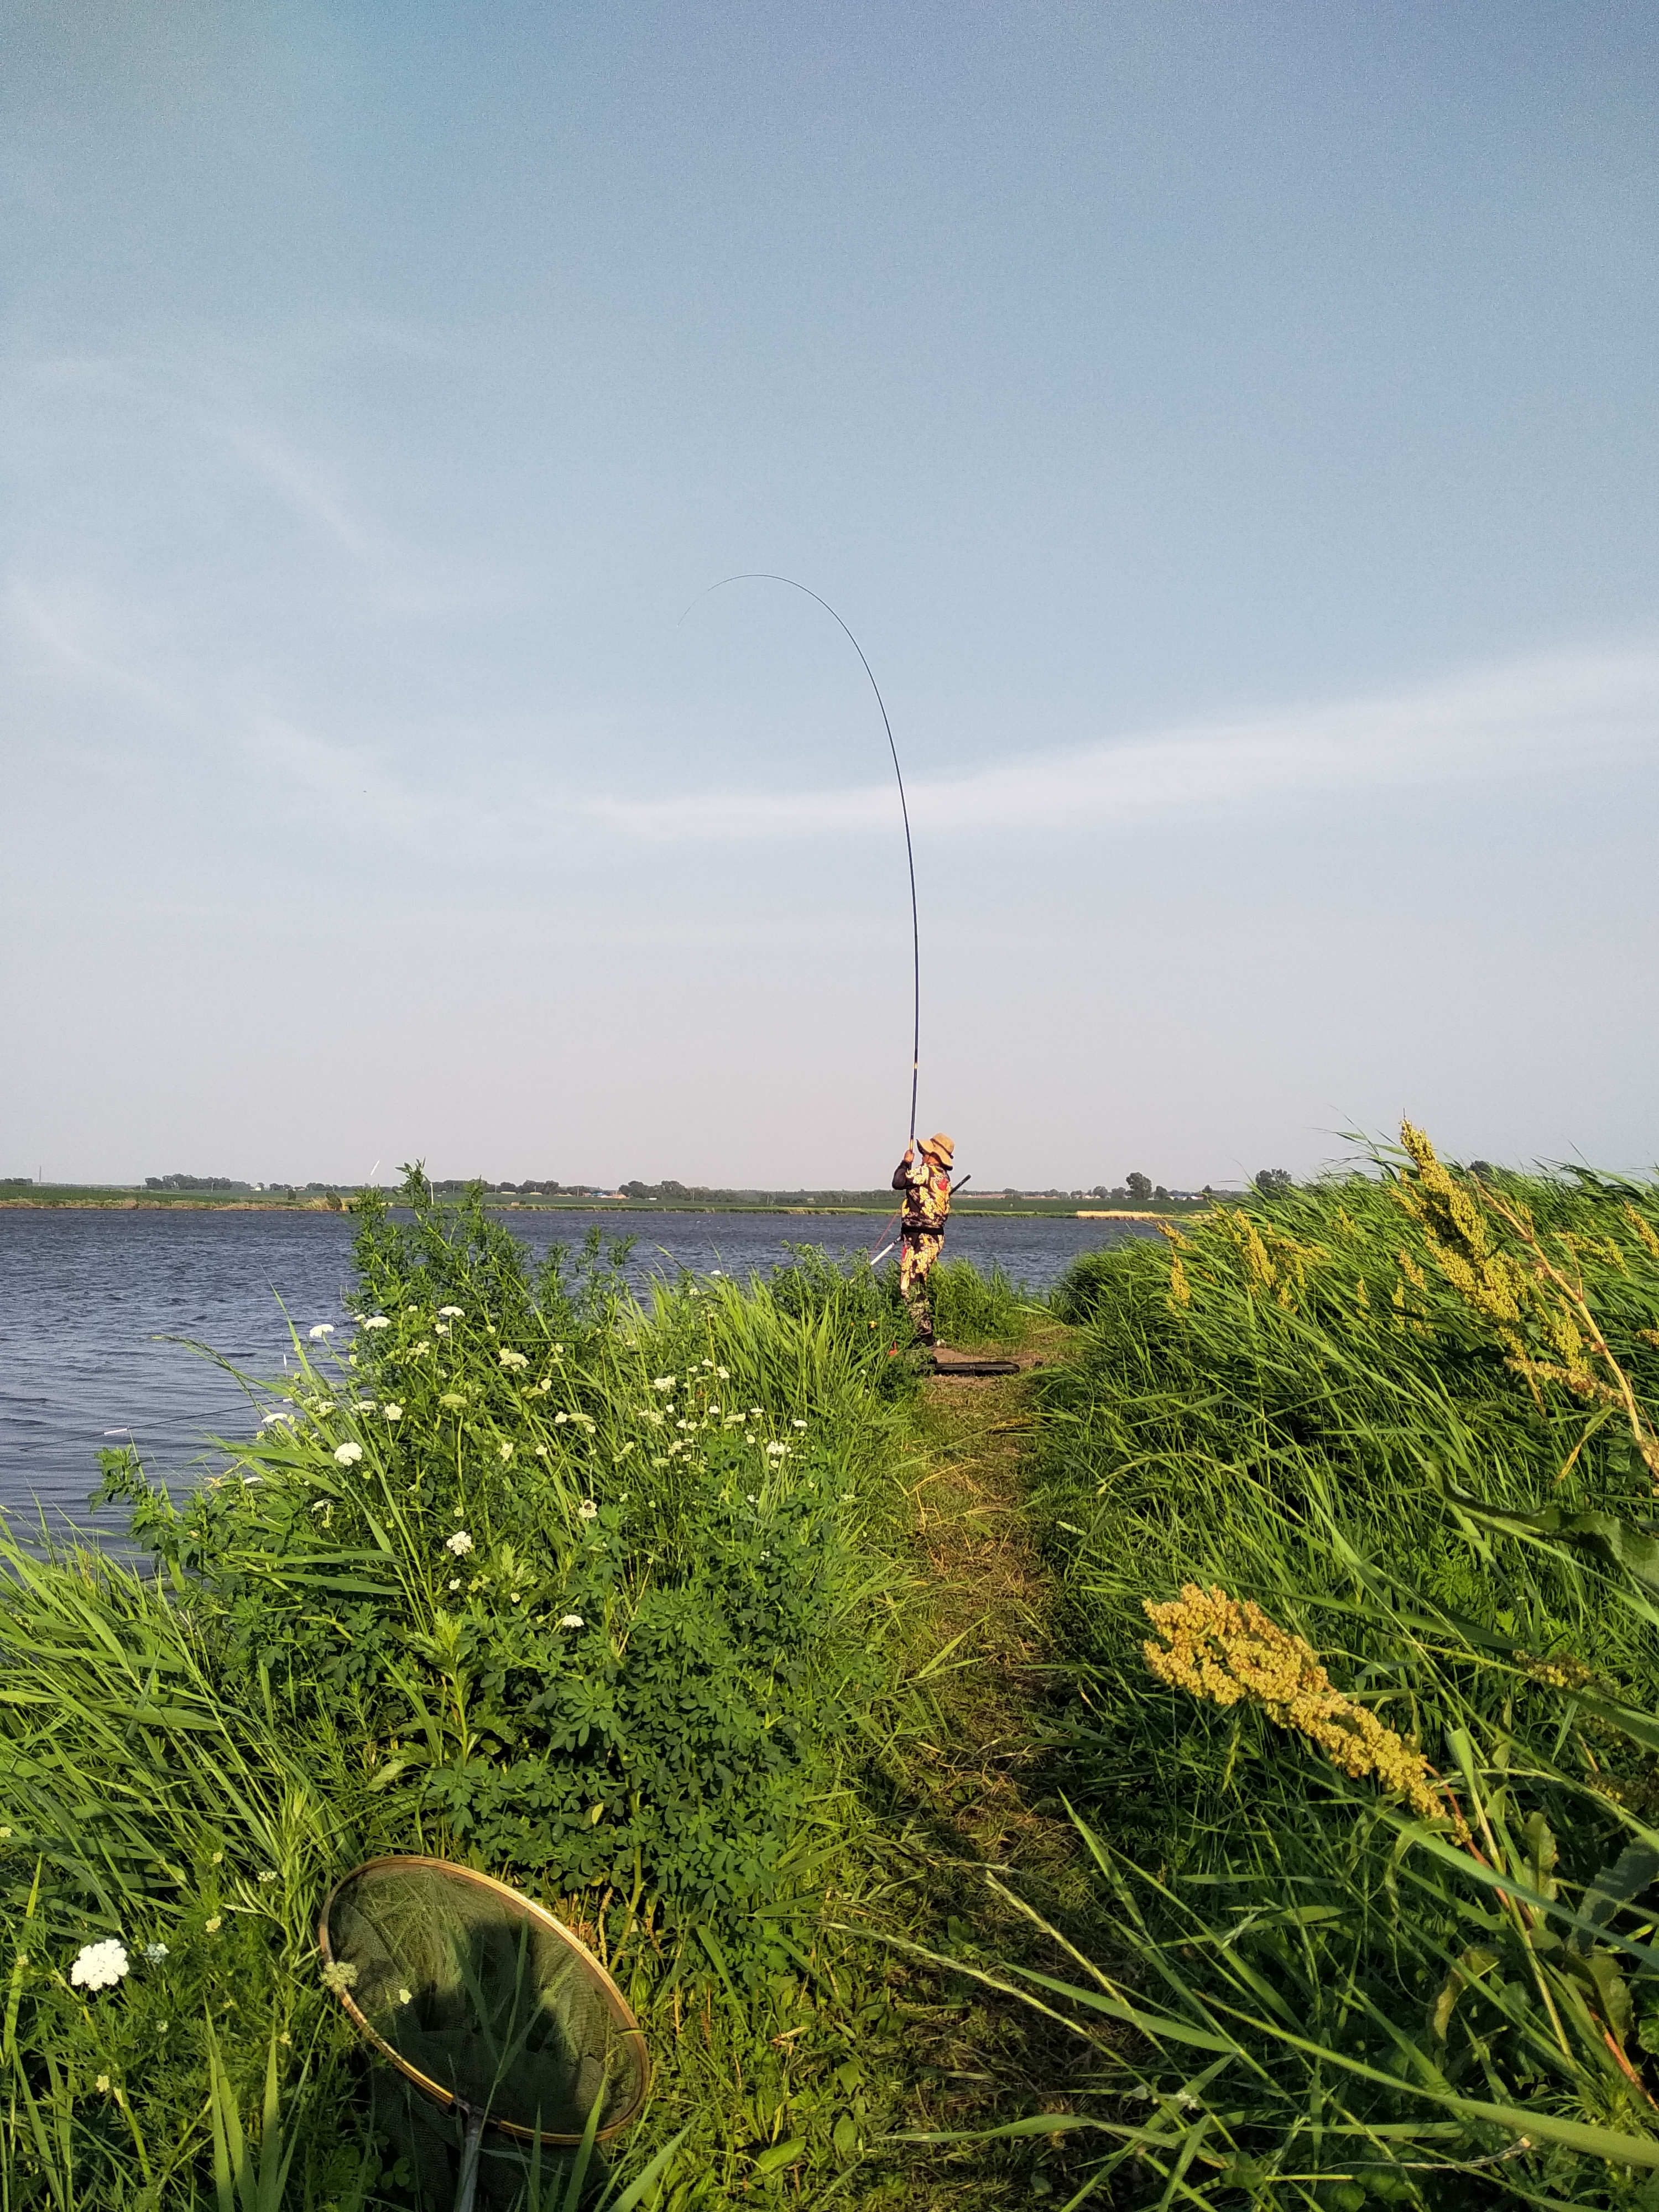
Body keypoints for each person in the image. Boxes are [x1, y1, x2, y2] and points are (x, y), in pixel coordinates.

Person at [892, 1131, 954, 1342]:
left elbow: (898, 1182)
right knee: (911, 1284)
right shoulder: (943, 1177)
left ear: (933, 1155)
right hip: (927, 1237)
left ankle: (924, 1336)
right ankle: (921, 1333)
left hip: (923, 1238)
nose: (922, 1156)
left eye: (925, 1152)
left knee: (911, 1284)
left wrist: (904, 1162)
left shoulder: (927, 1172)